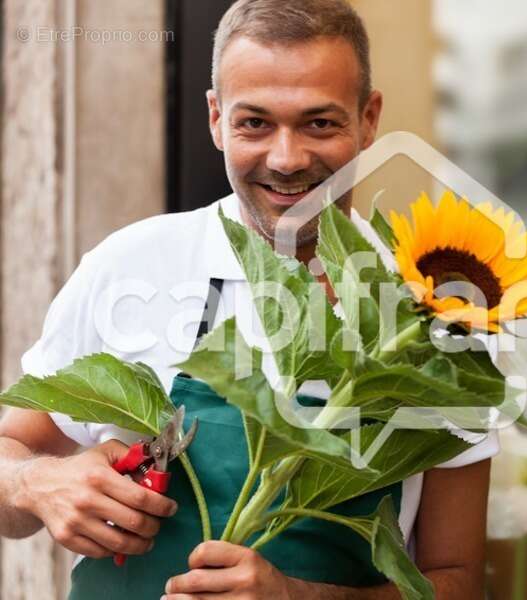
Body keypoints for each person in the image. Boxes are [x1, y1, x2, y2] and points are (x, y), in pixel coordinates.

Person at [0, 1, 497, 598]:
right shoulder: (132, 266)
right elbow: (11, 454)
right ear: (215, 119)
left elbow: (459, 581)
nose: (286, 159)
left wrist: (300, 597)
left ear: (370, 119)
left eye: (320, 123)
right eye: (254, 123)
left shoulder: (436, 311)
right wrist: (36, 482)